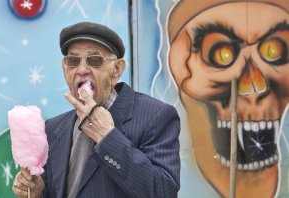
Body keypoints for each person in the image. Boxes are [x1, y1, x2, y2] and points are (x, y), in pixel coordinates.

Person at [12, 21, 181, 198]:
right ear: (64, 69)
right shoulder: (53, 128)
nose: (82, 69)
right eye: (73, 61)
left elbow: (164, 192)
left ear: (116, 70)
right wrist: (38, 193)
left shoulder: (156, 115)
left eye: (94, 60)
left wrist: (107, 137)